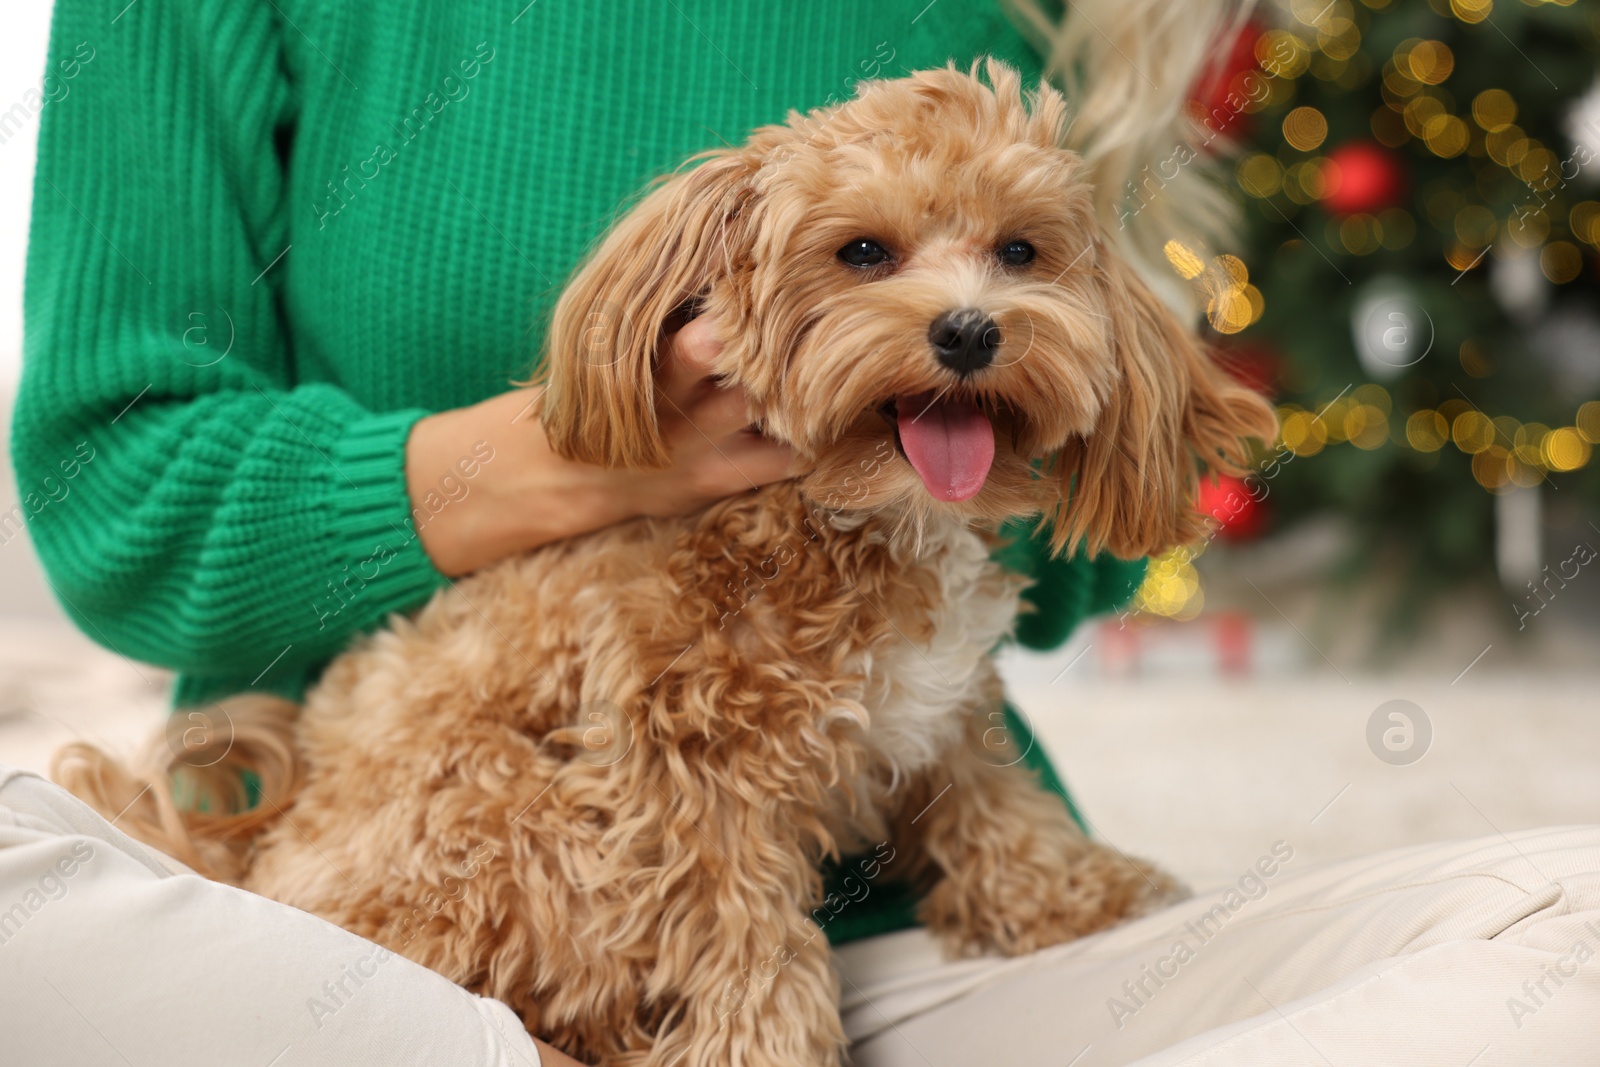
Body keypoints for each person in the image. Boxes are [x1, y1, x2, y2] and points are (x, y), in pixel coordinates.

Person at [17, 0, 1596, 1064]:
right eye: (868, 254)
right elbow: (118, 482)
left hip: (892, 959)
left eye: (1015, 258)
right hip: (386, 930)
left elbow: (1027, 604)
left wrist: (975, 450)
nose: (965, 306)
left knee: (1568, 930)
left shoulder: (1042, 36)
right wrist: (615, 463)